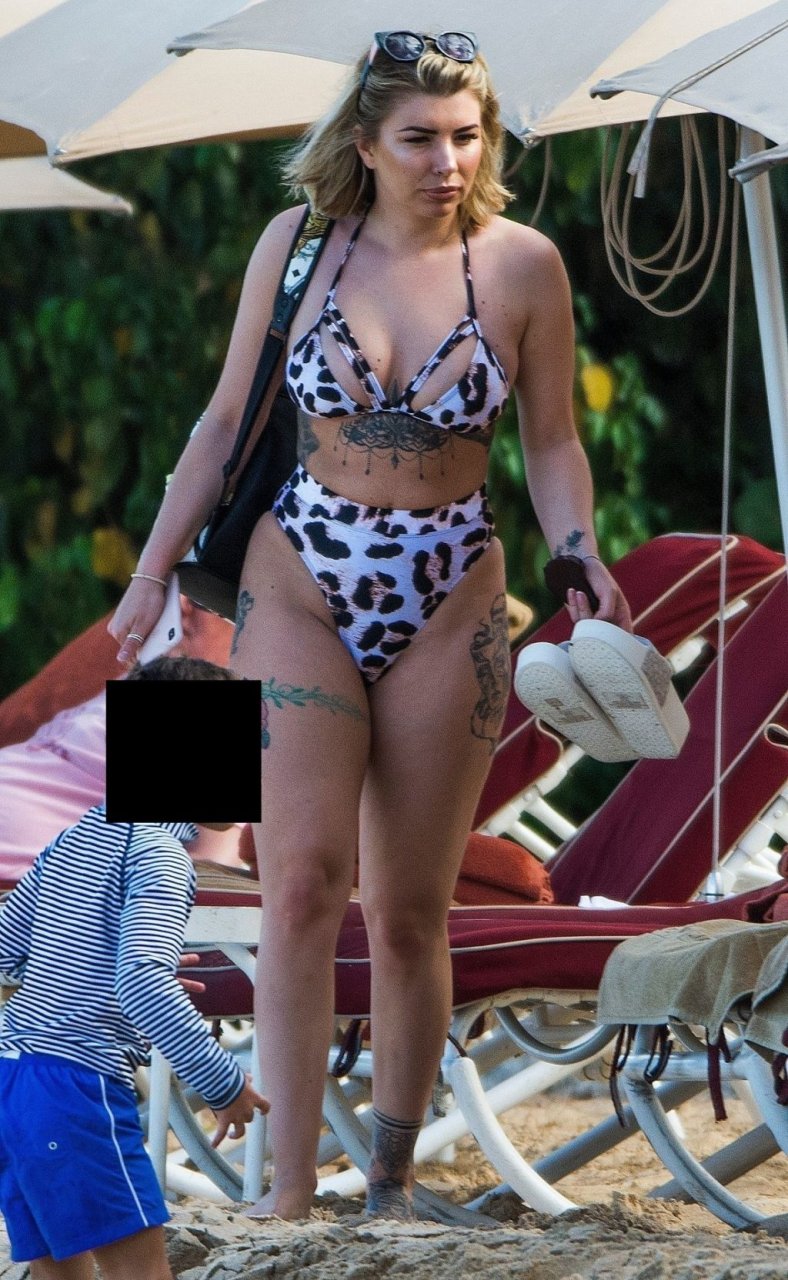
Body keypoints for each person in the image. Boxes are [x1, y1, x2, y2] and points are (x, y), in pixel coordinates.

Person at [108, 31, 631, 1221]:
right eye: (419, 139)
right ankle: (289, 1193)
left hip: (451, 591)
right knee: (298, 883)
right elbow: (223, 418)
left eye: (467, 138)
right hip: (300, 575)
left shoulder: (523, 266)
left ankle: (389, 1183)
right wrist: (149, 573)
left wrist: (579, 552)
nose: (448, 162)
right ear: (364, 141)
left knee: (406, 911)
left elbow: (551, 439)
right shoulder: (297, 245)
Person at [0, 656, 269, 1280]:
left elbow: (9, 947)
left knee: (59, 1268)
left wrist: (100, 963)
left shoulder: (74, 837)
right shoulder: (162, 857)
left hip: (12, 1079)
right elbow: (141, 983)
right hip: (76, 1085)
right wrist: (223, 1084)